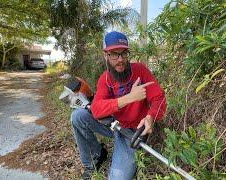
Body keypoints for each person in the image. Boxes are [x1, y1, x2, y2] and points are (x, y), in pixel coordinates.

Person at [70, 31, 166, 180]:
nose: (120, 60)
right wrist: (129, 98)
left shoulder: (141, 71)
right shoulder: (105, 79)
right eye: (114, 54)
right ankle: (96, 156)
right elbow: (96, 109)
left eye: (124, 53)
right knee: (78, 116)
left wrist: (150, 117)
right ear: (106, 55)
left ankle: (123, 151)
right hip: (114, 125)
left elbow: (159, 98)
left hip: (133, 133)